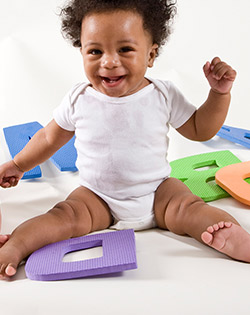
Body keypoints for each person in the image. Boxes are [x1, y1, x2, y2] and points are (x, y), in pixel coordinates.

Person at [0, 0, 248, 279]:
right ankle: (17, 245)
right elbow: (48, 138)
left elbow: (199, 129)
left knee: (190, 207)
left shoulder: (162, 94)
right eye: (95, 51)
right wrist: (19, 164)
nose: (109, 61)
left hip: (158, 194)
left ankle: (232, 234)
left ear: (151, 55)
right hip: (96, 198)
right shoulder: (79, 99)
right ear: (81, 52)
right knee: (62, 217)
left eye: (125, 49)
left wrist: (219, 95)